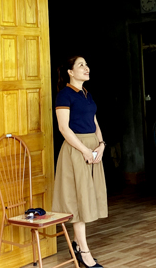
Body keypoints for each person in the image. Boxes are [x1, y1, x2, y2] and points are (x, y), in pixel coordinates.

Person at [52, 55, 107, 268]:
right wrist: (85, 150)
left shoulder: (87, 94)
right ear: (70, 72)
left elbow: (94, 122)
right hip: (76, 150)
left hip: (93, 149)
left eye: (86, 64)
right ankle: (84, 252)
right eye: (81, 65)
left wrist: (101, 145)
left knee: (88, 198)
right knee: (78, 200)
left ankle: (76, 244)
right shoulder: (64, 95)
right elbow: (64, 128)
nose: (86, 68)